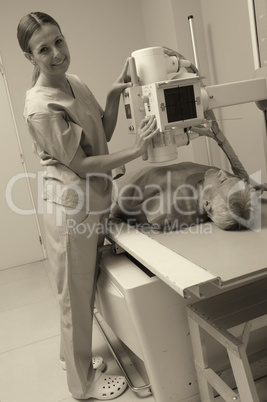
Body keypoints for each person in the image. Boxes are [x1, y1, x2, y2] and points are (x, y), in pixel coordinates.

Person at [17, 11, 159, 401]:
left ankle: (72, 355)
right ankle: (83, 385)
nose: (57, 53)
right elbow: (79, 163)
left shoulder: (73, 83)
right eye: (43, 49)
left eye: (59, 41)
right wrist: (138, 150)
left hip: (89, 201)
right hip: (70, 209)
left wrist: (113, 94)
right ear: (30, 58)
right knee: (74, 296)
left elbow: (101, 133)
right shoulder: (41, 106)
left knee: (79, 291)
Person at [111, 161, 260, 231]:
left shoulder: (170, 210)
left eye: (223, 180)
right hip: (143, 176)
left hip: (119, 188)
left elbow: (124, 212)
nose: (222, 173)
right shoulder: (213, 177)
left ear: (207, 204)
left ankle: (117, 174)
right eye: (228, 177)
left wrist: (112, 208)